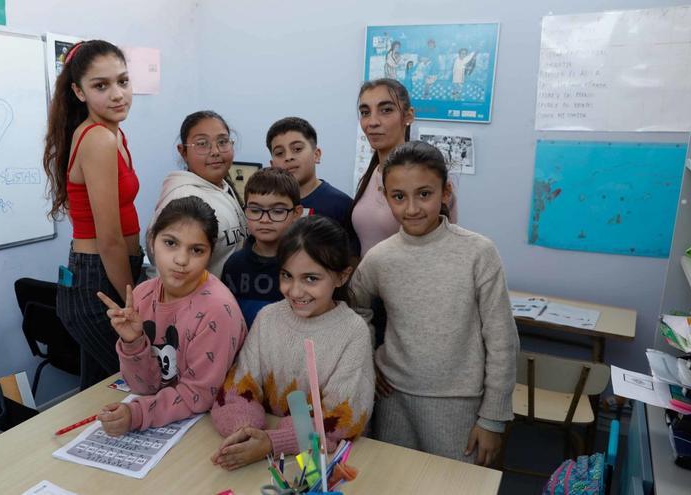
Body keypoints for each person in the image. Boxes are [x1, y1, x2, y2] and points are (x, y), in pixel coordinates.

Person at [350, 141, 518, 467]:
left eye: (424, 194)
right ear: (386, 197)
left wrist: (493, 418)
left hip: (461, 406)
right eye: (399, 196)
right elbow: (354, 309)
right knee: (394, 485)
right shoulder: (380, 258)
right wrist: (370, 359)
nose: (412, 208)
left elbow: (502, 340)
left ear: (445, 192)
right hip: (394, 401)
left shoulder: (478, 253)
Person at [209, 216, 374, 470]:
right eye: (287, 275)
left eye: (311, 279)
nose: (295, 291)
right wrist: (245, 431)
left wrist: (273, 442)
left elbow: (340, 422)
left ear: (342, 277)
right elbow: (238, 389)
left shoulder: (353, 332)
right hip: (263, 457)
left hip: (318, 464)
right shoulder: (268, 318)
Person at [95, 196, 248, 435]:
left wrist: (137, 414)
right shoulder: (143, 295)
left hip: (208, 425)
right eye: (170, 243)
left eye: (196, 250)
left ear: (210, 255)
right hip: (165, 418)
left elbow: (198, 396)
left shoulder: (217, 310)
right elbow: (144, 387)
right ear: (152, 241)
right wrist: (133, 342)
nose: (181, 260)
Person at [42, 40, 144, 390]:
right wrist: (137, 300)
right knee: (135, 382)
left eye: (123, 81)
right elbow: (110, 239)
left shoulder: (115, 134)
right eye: (101, 86)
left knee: (102, 388)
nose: (117, 94)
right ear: (78, 91)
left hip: (110, 271)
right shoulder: (98, 139)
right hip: (98, 277)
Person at [351, 78, 458, 259]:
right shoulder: (369, 176)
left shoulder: (429, 181)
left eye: (386, 110)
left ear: (408, 116)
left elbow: (446, 253)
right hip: (365, 284)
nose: (373, 122)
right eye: (365, 112)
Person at [149, 111, 248, 278]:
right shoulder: (184, 198)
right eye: (202, 143)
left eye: (223, 142)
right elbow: (172, 271)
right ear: (183, 152)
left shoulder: (222, 187)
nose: (215, 151)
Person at [221, 168, 302, 328]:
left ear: (296, 213)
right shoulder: (234, 264)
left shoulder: (303, 264)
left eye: (278, 211)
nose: (265, 219)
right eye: (256, 210)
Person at [265, 117, 353, 236]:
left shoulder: (342, 205)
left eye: (297, 149)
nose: (288, 157)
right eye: (280, 153)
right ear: (272, 165)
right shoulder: (265, 206)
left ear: (316, 155)